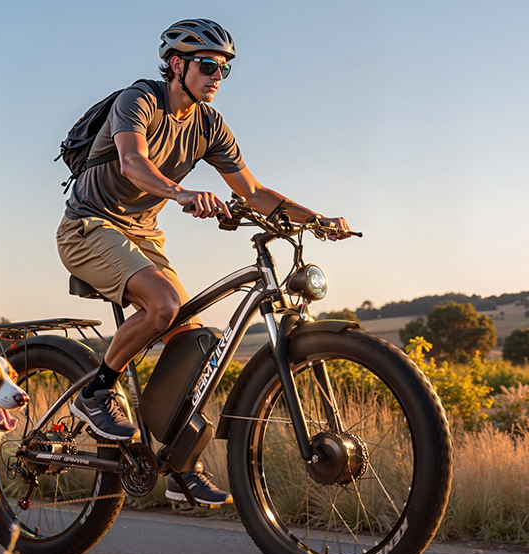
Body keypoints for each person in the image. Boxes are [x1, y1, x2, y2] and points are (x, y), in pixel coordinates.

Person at [55, 18, 351, 505]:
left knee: (196, 343)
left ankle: (179, 465)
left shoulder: (209, 125)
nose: (217, 77)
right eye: (208, 66)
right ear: (176, 65)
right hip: (88, 225)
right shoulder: (140, 100)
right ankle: (96, 393)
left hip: (143, 236)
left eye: (224, 70)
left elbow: (253, 192)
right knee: (164, 305)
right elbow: (133, 162)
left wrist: (317, 218)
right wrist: (182, 192)